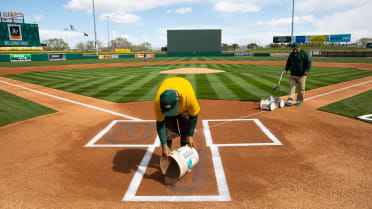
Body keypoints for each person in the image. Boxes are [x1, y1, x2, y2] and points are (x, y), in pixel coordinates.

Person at [154, 77, 200, 158]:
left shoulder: (188, 97)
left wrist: (191, 136)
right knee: (167, 132)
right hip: (171, 104)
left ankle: (185, 157)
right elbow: (160, 123)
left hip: (184, 107)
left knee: (186, 133)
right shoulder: (158, 101)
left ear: (178, 100)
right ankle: (167, 156)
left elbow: (194, 115)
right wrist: (164, 145)